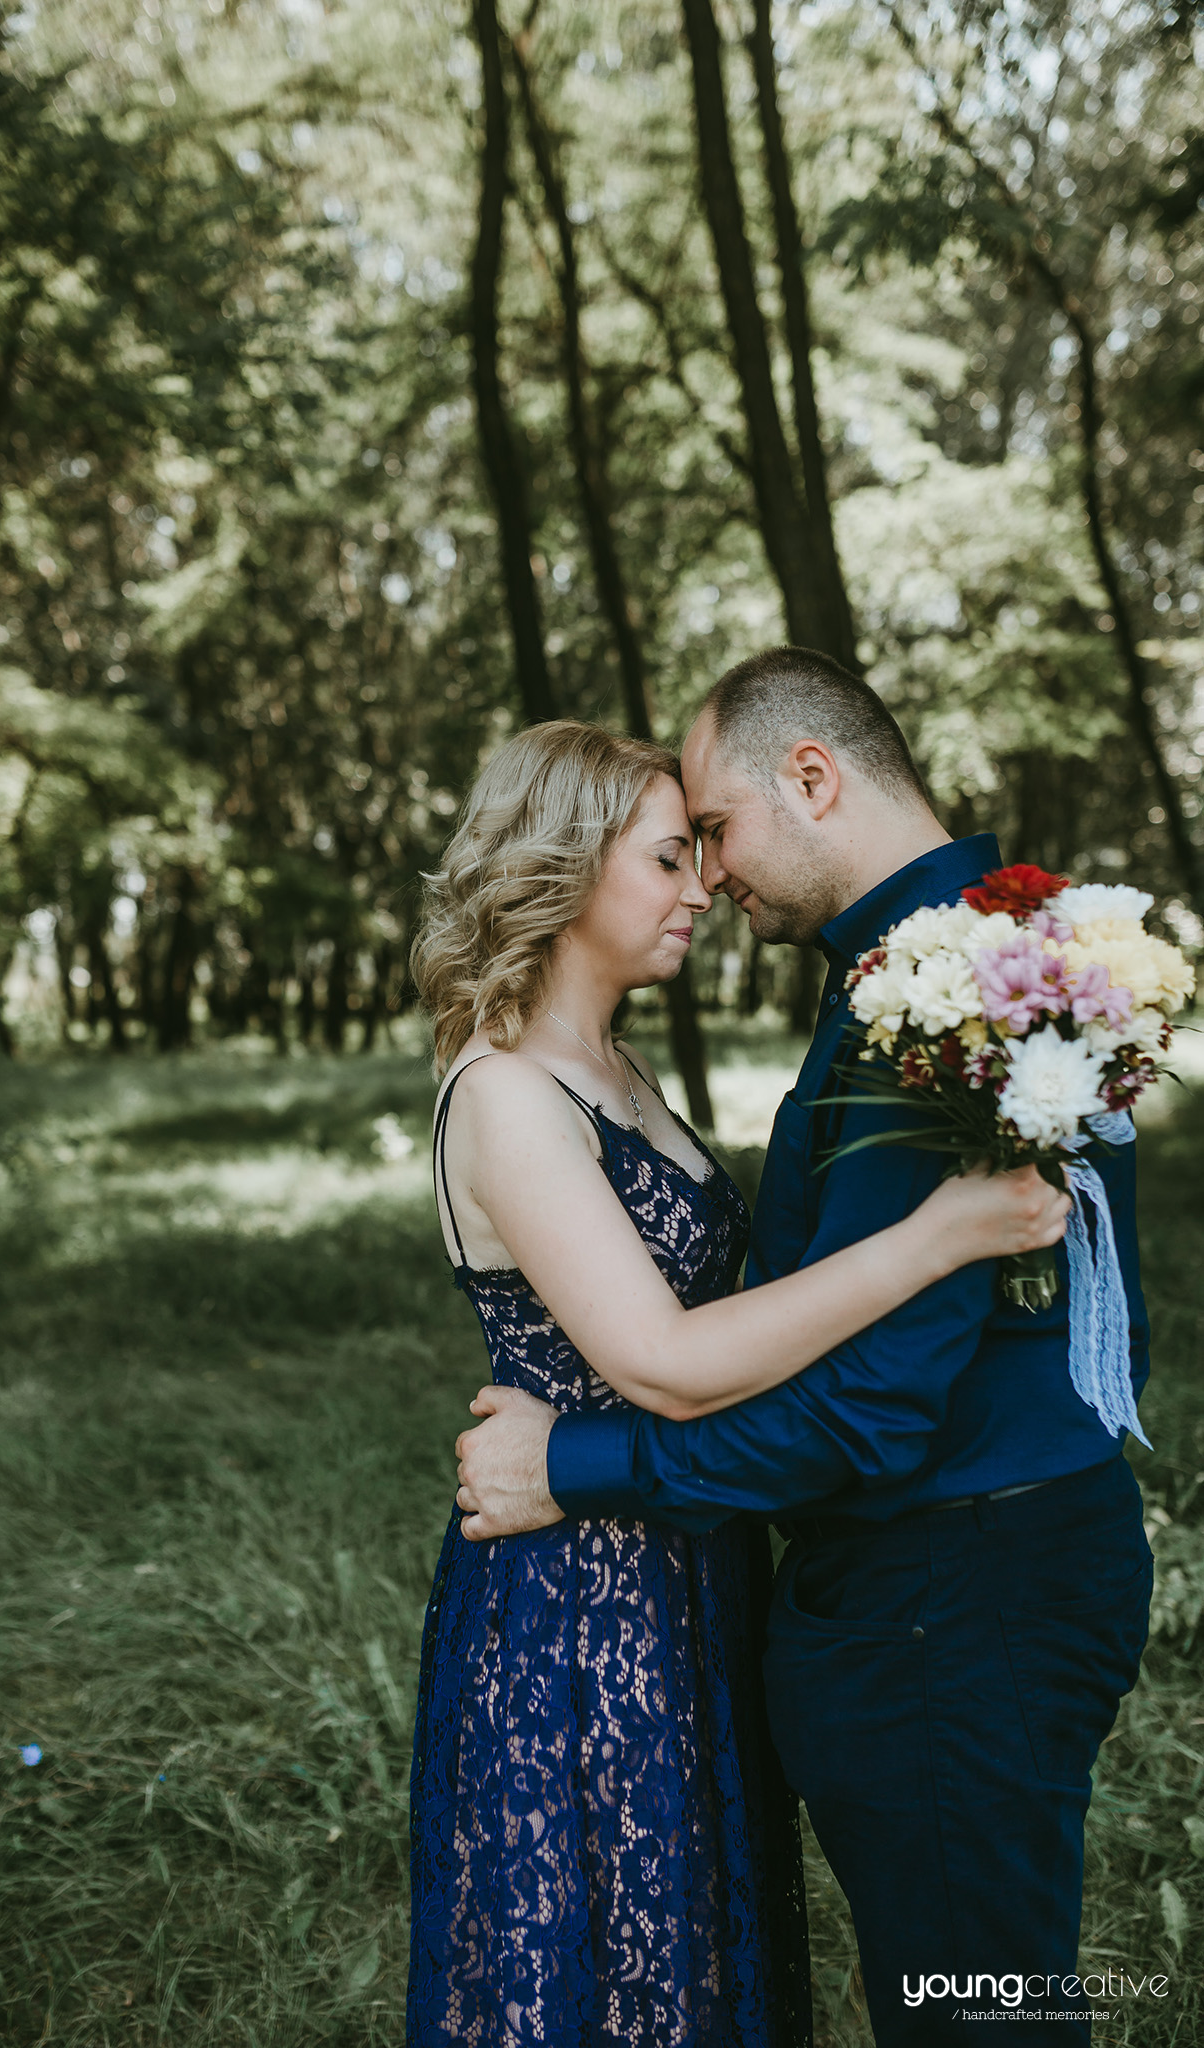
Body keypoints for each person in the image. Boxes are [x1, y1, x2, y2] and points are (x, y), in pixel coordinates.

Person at [454, 651, 1155, 2046]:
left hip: (951, 1597)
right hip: (967, 1577)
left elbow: (867, 1410)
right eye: (676, 849)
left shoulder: (945, 1006)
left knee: (982, 2022)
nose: (710, 878)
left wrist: (573, 1462)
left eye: (709, 829)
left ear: (812, 778)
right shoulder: (956, 967)